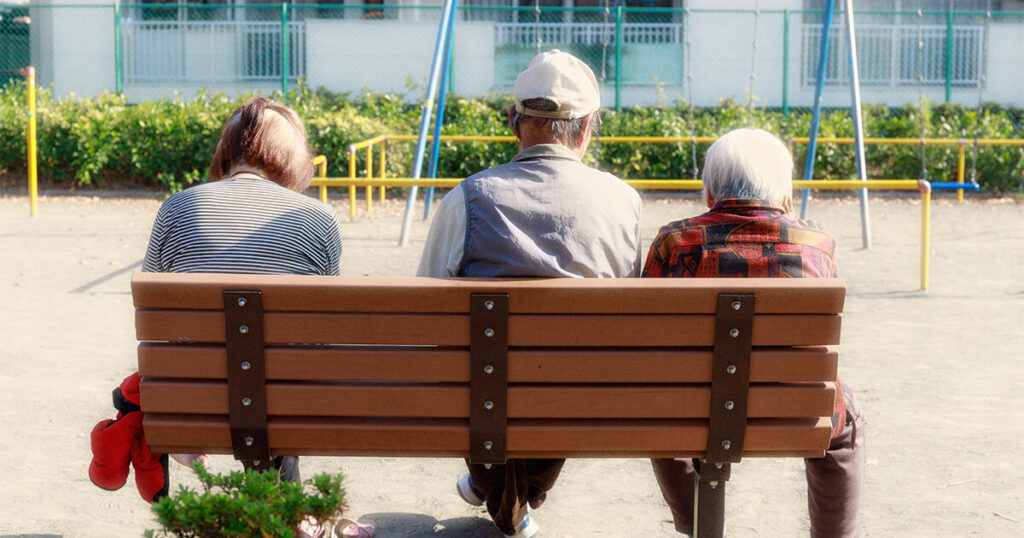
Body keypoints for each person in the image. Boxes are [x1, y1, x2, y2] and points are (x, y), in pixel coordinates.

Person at [417, 50, 642, 537]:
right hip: (580, 395)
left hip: (482, 394)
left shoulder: (468, 197)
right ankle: (515, 497)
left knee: (485, 368)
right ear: (586, 130)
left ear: (516, 123)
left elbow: (427, 310)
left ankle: (501, 494)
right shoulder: (624, 202)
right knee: (567, 361)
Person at [142, 97, 372, 538]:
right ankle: (294, 518)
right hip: (290, 403)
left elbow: (156, 316)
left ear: (227, 150)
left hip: (191, 398)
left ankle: (286, 517)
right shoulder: (318, 217)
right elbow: (325, 334)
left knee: (250, 371)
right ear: (291, 158)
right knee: (280, 369)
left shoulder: (176, 207)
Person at [642, 128, 865, 538]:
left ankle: (698, 523)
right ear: (785, 195)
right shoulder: (816, 242)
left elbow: (647, 332)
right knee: (843, 416)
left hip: (691, 406)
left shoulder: (674, 241)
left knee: (661, 396)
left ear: (709, 194)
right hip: (793, 404)